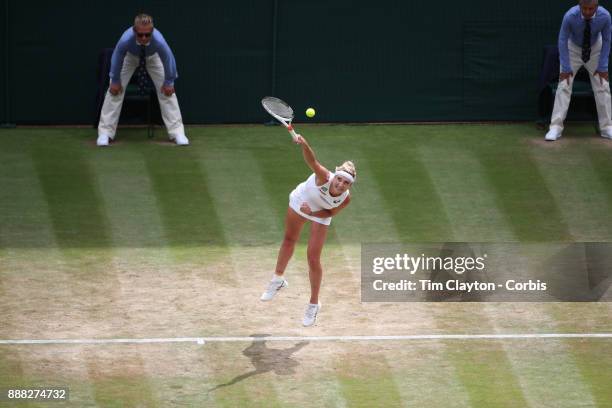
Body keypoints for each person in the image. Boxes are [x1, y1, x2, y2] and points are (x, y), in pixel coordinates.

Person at [260, 134, 356, 327]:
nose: (340, 184)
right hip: (301, 201)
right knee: (289, 240)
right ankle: (277, 279)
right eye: (339, 179)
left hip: (319, 212)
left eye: (346, 183)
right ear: (335, 176)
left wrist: (311, 212)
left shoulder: (345, 198)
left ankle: (314, 304)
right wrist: (304, 144)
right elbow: (312, 161)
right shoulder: (323, 177)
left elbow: (329, 212)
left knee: (313, 258)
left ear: (349, 185)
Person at [97, 14, 189, 146]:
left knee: (167, 92)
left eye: (148, 34)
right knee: (114, 91)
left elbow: (169, 59)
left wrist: (169, 82)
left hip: (153, 57)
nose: (144, 38)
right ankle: (105, 133)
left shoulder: (159, 41)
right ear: (134, 31)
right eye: (140, 35)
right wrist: (116, 81)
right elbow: (117, 58)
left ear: (152, 31)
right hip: (130, 57)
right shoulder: (125, 40)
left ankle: (177, 132)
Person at [545, 0, 612, 141]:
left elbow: (607, 40)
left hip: (595, 49)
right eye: (584, 8)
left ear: (597, 6)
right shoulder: (570, 16)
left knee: (603, 85)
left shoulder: (605, 16)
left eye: (591, 9)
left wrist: (603, 66)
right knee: (564, 85)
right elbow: (562, 40)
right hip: (572, 49)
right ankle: (555, 128)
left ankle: (606, 128)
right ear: (579, 5)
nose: (587, 12)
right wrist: (566, 66)